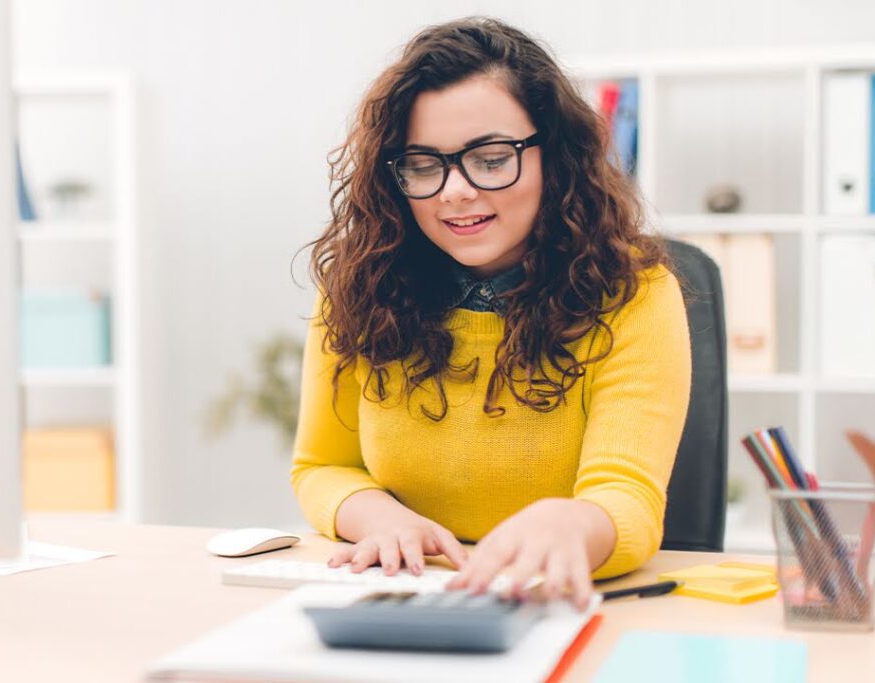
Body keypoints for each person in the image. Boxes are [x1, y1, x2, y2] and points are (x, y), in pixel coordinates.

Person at [290, 16, 691, 610]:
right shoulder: (359, 287)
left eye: (491, 157)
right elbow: (321, 466)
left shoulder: (633, 291)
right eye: (423, 165)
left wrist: (576, 524)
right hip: (406, 597)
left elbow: (626, 497)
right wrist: (378, 518)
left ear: (552, 155)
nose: (454, 191)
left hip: (561, 603)